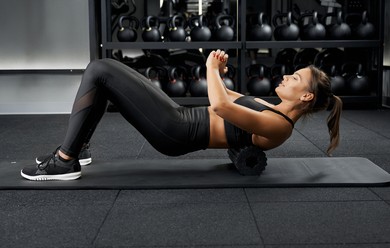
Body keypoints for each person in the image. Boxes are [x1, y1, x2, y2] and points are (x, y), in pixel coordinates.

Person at [21, 49, 342, 181]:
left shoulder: (278, 126)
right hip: (179, 117)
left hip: (174, 131)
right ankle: (78, 146)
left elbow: (220, 106)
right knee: (106, 71)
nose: (287, 77)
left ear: (306, 96)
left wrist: (210, 69)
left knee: (100, 70)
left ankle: (65, 160)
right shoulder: (271, 106)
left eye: (295, 79)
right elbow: (228, 95)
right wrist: (220, 72)